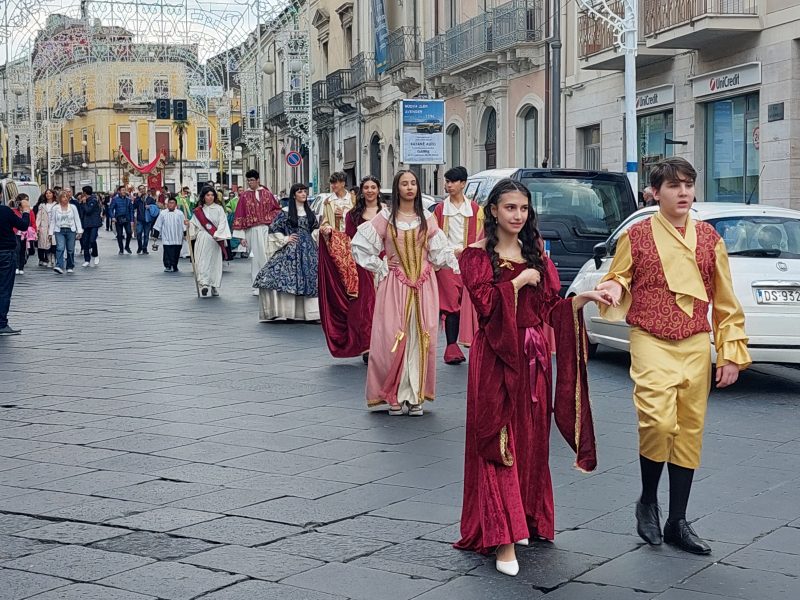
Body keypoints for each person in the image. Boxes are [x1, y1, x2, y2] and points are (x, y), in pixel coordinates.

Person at [596, 157, 750, 556]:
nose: (683, 192)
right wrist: (612, 288)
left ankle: (677, 520)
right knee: (659, 421)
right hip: (651, 337)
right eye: (673, 186)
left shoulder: (710, 239)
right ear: (655, 192)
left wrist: (731, 353)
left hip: (696, 341)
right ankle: (648, 498)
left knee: (688, 431)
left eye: (688, 185)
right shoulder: (639, 234)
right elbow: (618, 274)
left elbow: (726, 301)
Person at [454, 179, 608, 576]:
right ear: (493, 211)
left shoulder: (535, 252)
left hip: (535, 359)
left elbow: (550, 308)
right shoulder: (474, 257)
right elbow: (486, 308)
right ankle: (503, 539)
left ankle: (521, 518)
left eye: (523, 209)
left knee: (530, 441)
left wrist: (583, 300)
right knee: (498, 440)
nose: (517, 216)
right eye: (509, 208)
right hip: (496, 359)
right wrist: (517, 282)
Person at [351, 170, 459, 416]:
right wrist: (380, 264)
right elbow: (359, 245)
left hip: (424, 286)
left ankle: (415, 394)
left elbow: (438, 253)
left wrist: (452, 259)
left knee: (422, 337)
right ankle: (394, 394)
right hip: (394, 284)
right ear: (397, 188)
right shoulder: (386, 217)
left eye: (413, 183)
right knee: (391, 337)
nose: (409, 187)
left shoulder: (427, 218)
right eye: (404, 183)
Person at [319, 175, 383, 360]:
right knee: (365, 304)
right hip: (362, 263)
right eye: (366, 187)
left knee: (386, 302)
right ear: (361, 191)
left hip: (385, 260)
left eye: (373, 187)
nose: (370, 191)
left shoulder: (387, 211)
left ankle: (385, 343)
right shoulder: (353, 215)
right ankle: (366, 344)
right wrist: (328, 233)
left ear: (378, 190)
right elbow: (348, 239)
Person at [433, 166, 484, 364]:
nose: (449, 185)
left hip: (468, 261)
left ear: (463, 183)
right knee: (451, 305)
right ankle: (451, 347)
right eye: (447, 181)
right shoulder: (439, 209)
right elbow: (435, 235)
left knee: (469, 304)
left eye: (453, 181)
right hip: (446, 262)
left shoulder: (475, 210)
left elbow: (481, 235)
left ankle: (471, 342)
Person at [254, 182, 320, 320]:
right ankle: (286, 312)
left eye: (304, 191)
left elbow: (315, 229)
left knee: (310, 277)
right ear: (294, 195)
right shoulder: (285, 212)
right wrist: (285, 239)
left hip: (309, 250)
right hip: (292, 248)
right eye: (300, 192)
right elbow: (274, 228)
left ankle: (310, 314)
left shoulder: (310, 212)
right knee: (276, 275)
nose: (303, 194)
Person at [232, 169, 282, 295]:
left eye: (252, 180)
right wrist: (241, 237)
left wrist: (269, 218)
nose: (250, 183)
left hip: (266, 228)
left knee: (268, 255)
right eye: (248, 180)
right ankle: (257, 284)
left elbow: (276, 209)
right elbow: (239, 214)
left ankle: (269, 282)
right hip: (252, 230)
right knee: (255, 258)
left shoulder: (267, 194)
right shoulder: (244, 196)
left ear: (258, 180)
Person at [188, 186, 231, 297]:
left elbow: (223, 223)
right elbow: (194, 224)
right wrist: (188, 224)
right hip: (202, 238)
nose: (210, 197)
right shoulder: (199, 211)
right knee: (202, 261)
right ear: (203, 197)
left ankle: (214, 285)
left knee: (214, 262)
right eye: (208, 195)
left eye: (212, 195)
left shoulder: (219, 208)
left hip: (215, 240)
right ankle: (204, 284)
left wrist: (217, 234)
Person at [1, 196, 31, 335]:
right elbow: (23, 225)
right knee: (4, 288)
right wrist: (25, 210)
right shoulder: (5, 211)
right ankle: (1, 324)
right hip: (5, 252)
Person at [48, 189, 83, 274]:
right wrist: (50, 233)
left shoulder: (73, 207)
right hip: (59, 230)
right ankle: (59, 265)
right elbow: (52, 221)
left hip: (71, 230)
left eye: (67, 197)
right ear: (60, 199)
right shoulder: (55, 208)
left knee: (70, 249)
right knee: (60, 248)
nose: (65, 199)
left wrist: (80, 231)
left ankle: (70, 266)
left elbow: (77, 219)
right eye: (63, 197)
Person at [153, 197, 187, 273]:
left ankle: (174, 265)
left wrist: (185, 234)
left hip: (177, 237)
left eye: (172, 203)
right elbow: (158, 224)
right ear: (167, 204)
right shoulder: (163, 213)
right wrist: (155, 235)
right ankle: (168, 265)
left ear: (176, 205)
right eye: (169, 203)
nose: (171, 205)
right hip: (167, 236)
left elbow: (183, 225)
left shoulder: (180, 213)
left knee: (176, 252)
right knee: (167, 252)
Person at [80, 186, 102, 267]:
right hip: (86, 224)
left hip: (94, 223)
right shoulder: (83, 201)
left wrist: (85, 202)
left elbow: (88, 211)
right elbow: (81, 212)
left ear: (85, 193)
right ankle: (87, 260)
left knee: (92, 240)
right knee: (85, 241)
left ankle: (95, 255)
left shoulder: (93, 200)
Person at [109, 185, 134, 255]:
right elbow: (110, 209)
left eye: (124, 190)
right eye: (122, 190)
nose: (124, 191)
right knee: (119, 235)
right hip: (118, 219)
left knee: (129, 233)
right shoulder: (115, 199)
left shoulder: (128, 200)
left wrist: (132, 220)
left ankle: (127, 246)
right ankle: (121, 249)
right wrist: (113, 217)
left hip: (127, 218)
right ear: (119, 191)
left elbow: (131, 210)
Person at [35, 191, 56, 267]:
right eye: (46, 193)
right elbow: (38, 217)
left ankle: (54, 259)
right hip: (44, 227)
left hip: (54, 227)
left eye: (50, 193)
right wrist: (37, 228)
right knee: (46, 244)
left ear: (53, 194)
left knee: (54, 244)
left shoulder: (56, 204)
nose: (48, 195)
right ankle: (49, 260)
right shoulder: (42, 205)